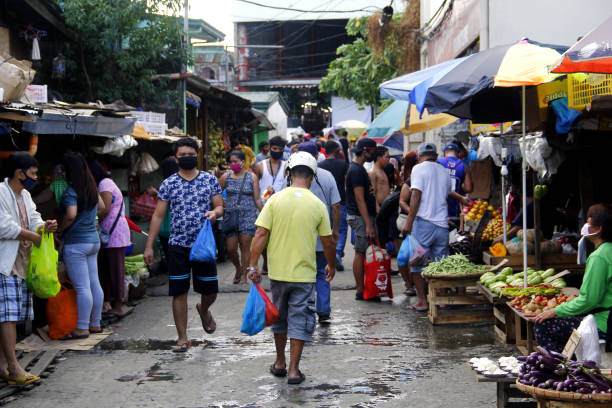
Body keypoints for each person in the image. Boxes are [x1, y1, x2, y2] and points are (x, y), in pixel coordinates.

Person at [247, 151, 336, 385]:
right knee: (300, 318)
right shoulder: (317, 204)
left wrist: (252, 264)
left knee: (279, 318)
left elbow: (260, 233)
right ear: (312, 176)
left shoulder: (274, 200)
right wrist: (331, 265)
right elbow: (328, 240)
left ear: (288, 173)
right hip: (305, 275)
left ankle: (279, 363)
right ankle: (294, 371)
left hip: (277, 273)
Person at [144, 138, 224, 352]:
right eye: (183, 155)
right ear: (176, 158)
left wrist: (214, 213)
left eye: (191, 154)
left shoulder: (209, 180)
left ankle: (203, 309)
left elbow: (219, 206)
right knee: (179, 291)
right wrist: (149, 245)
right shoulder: (168, 184)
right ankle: (182, 337)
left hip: (204, 245)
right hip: (177, 245)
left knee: (210, 292)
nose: (187, 158)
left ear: (196, 155)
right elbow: (158, 215)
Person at [0, 152, 57, 386]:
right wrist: (32, 235)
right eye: (33, 173)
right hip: (5, 263)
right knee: (8, 317)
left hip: (22, 262)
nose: (36, 177)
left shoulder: (24, 195)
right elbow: (2, 226)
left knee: (12, 316)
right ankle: (14, 368)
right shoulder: (1, 192)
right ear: (19, 173)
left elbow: (33, 218)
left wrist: (45, 226)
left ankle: (3, 366)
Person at [534, 204, 612, 352]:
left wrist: (556, 310)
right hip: (606, 315)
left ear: (599, 228)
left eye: (589, 223)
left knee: (544, 325)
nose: (586, 226)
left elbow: (589, 299)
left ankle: (558, 369)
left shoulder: (599, 257)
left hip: (604, 322)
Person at [58, 153, 105, 339]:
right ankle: (95, 323)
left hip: (76, 243)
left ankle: (82, 328)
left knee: (82, 287)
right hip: (93, 240)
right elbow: (101, 207)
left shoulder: (71, 191)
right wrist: (89, 220)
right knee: (94, 282)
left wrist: (61, 229)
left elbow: (70, 214)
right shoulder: (92, 188)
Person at [403, 143, 455, 311]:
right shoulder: (444, 170)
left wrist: (409, 222)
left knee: (417, 263)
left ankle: (422, 302)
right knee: (441, 264)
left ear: (420, 156)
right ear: (436, 154)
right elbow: (446, 196)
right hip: (442, 225)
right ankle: (441, 300)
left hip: (423, 223)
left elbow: (416, 195)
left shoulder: (418, 169)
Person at [298, 142, 340, 322]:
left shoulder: (292, 178)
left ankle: (307, 308)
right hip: (323, 235)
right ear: (317, 157)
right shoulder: (327, 176)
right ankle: (323, 310)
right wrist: (335, 228)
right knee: (324, 271)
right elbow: (336, 205)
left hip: (300, 237)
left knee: (305, 273)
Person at [88, 160, 131, 318]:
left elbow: (104, 209)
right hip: (111, 232)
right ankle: (109, 303)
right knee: (106, 269)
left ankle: (118, 305)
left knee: (115, 270)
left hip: (114, 233)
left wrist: (86, 219)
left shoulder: (105, 184)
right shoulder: (106, 183)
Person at [219, 150, 263, 284]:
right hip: (230, 216)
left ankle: (244, 274)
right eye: (231, 162)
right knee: (231, 249)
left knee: (245, 246)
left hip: (248, 215)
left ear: (243, 162)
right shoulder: (225, 177)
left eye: (235, 162)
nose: (233, 164)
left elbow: (257, 198)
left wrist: (265, 213)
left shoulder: (252, 177)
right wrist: (221, 202)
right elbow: (216, 193)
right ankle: (238, 267)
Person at [345, 138, 377, 300]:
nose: (374, 155)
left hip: (361, 216)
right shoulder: (356, 170)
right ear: (366, 151)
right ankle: (360, 289)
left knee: (363, 252)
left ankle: (365, 287)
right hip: (359, 217)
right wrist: (369, 224)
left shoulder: (359, 168)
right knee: (360, 252)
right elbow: (359, 199)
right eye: (373, 151)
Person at [254, 136, 288, 272]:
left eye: (280, 149)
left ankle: (274, 262)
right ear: (269, 148)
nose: (277, 151)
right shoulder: (259, 166)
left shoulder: (286, 166)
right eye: (274, 149)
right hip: (262, 206)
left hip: (281, 207)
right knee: (263, 236)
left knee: (278, 236)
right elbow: (255, 187)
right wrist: (260, 207)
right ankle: (266, 261)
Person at [319, 140, 349, 271]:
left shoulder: (320, 165)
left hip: (324, 203)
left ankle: (328, 256)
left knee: (326, 230)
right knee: (340, 230)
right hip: (340, 201)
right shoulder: (343, 164)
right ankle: (337, 253)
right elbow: (346, 183)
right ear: (337, 151)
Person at [398, 151, 419, 295]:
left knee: (415, 255)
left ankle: (413, 284)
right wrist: (412, 213)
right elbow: (402, 201)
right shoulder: (410, 181)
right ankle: (409, 283)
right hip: (406, 221)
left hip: (418, 222)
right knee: (406, 256)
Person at [437, 142, 473, 223]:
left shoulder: (438, 162)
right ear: (458, 153)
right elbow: (469, 189)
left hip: (437, 211)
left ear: (444, 153)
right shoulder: (463, 166)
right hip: (454, 210)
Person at [158, 156, 179, 266]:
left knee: (169, 254)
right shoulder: (180, 182)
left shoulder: (165, 184)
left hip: (164, 226)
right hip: (177, 226)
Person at [369, 146, 391, 213]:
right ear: (379, 158)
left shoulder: (382, 170)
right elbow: (372, 194)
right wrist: (378, 209)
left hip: (386, 206)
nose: (388, 159)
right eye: (386, 157)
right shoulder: (373, 172)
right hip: (380, 207)